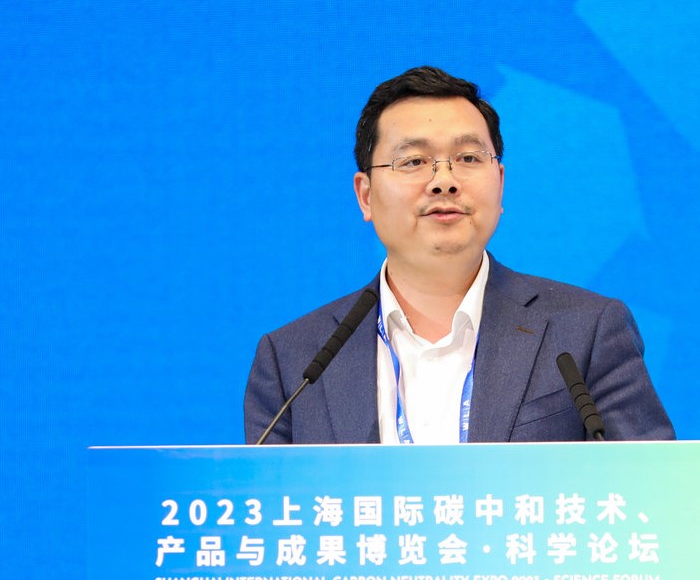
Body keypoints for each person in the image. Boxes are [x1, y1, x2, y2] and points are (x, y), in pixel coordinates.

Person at [245, 66, 673, 445]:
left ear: (499, 183)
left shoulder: (585, 333)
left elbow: (654, 491)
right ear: (366, 195)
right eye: (413, 161)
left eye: (468, 158)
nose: (444, 181)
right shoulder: (295, 362)